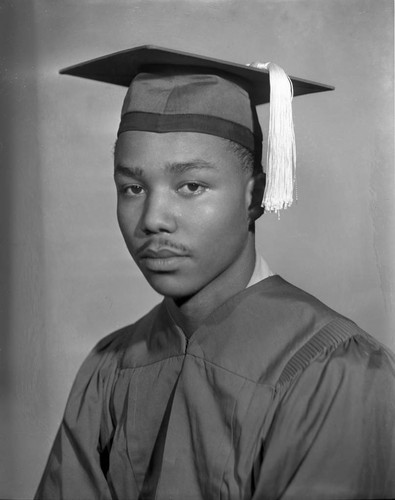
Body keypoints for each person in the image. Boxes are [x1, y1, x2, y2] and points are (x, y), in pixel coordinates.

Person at [35, 46, 395, 500]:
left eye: (191, 186)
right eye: (132, 187)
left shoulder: (337, 373)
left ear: (255, 196)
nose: (153, 218)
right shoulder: (109, 368)